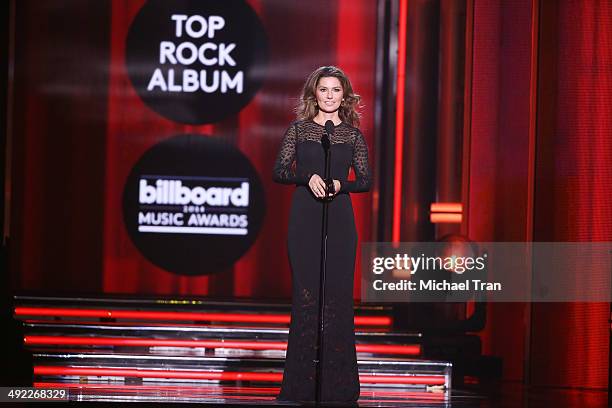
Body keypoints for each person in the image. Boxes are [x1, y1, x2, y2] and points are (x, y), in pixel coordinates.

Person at [272, 66, 372, 404]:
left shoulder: (353, 136)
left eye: (336, 90)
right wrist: (307, 177)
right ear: (314, 94)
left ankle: (338, 388)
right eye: (324, 90)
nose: (329, 96)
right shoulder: (298, 131)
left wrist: (342, 183)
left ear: (345, 96)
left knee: (337, 303)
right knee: (306, 301)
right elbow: (280, 171)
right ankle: (301, 386)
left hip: (341, 221)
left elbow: (366, 180)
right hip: (305, 219)